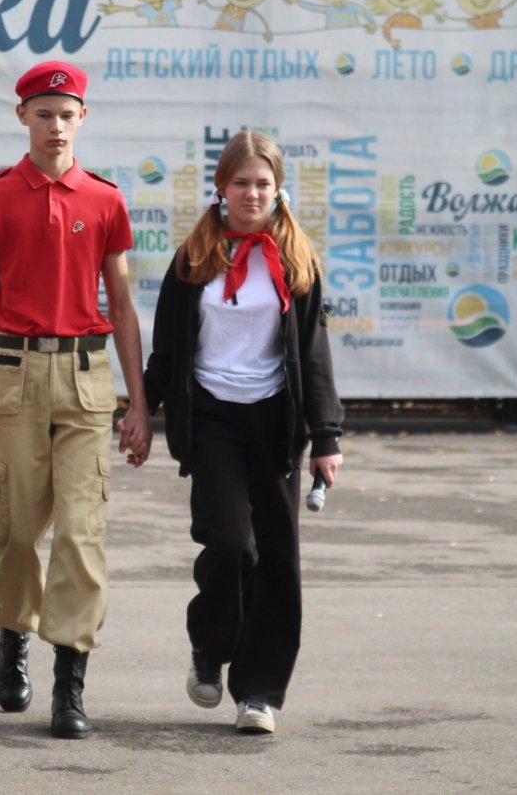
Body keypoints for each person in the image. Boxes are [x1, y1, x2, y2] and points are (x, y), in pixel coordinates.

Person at [0, 61, 152, 740]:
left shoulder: (105, 199)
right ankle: (14, 630)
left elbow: (127, 308)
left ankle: (70, 683)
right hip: (17, 374)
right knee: (18, 529)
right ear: (22, 116)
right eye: (43, 113)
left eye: (67, 113)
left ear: (84, 118)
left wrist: (139, 404)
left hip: (86, 382)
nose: (56, 125)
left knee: (82, 532)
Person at [143, 130, 343, 735]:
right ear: (221, 187)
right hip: (213, 420)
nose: (251, 193)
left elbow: (313, 354)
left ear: (277, 188)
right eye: (240, 183)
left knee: (277, 559)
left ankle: (259, 694)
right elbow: (169, 348)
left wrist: (326, 437)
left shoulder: (296, 259)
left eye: (262, 183)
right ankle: (211, 646)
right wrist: (139, 412)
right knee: (232, 544)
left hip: (276, 422)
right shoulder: (195, 257)